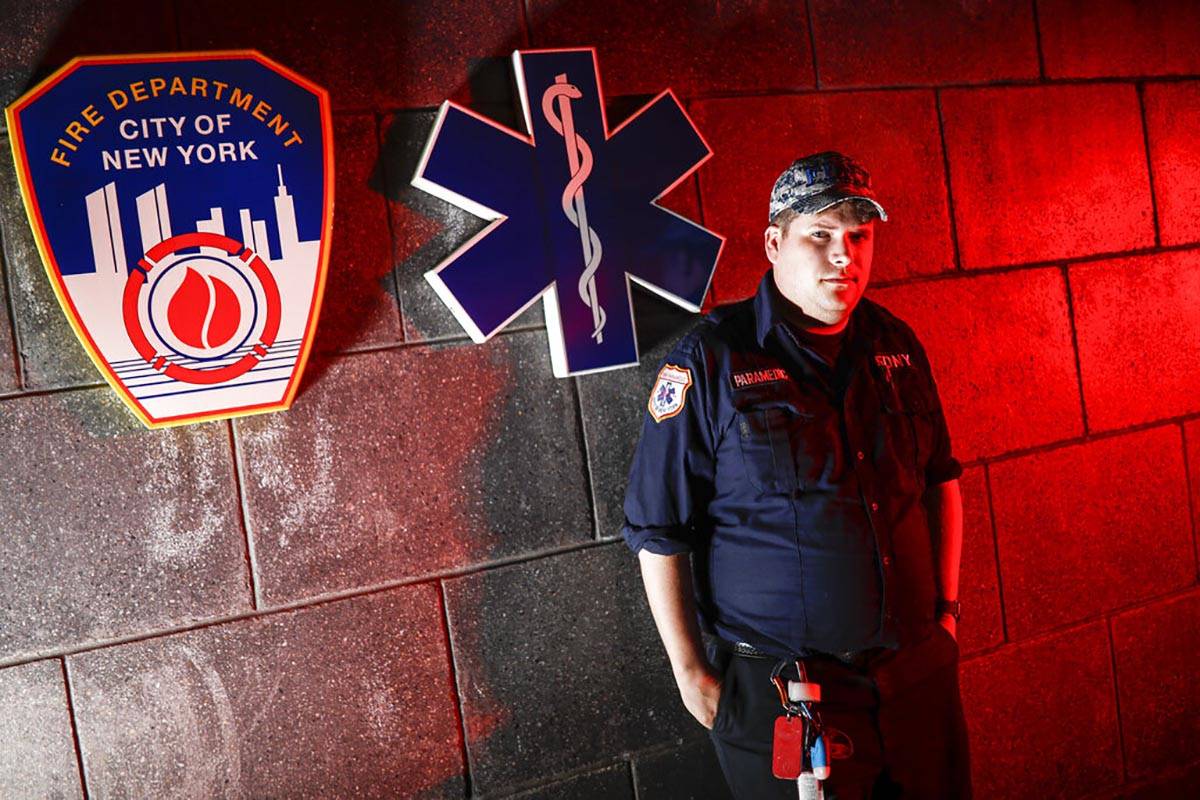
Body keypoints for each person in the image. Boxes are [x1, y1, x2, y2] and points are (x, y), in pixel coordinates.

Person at [621, 151, 971, 799]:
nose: (846, 255)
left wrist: (946, 616)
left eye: (859, 237)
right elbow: (656, 530)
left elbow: (941, 482)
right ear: (775, 243)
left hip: (916, 681)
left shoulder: (894, 344)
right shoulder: (713, 360)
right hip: (791, 696)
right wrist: (690, 671)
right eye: (821, 235)